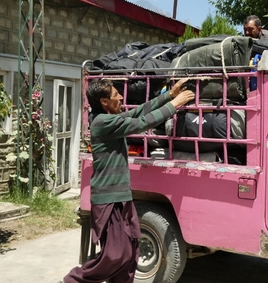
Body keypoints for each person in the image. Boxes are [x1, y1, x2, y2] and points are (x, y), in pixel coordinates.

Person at [60, 78, 195, 283]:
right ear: (104, 101)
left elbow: (137, 112)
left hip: (122, 196)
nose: (121, 97)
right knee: (115, 255)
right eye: (116, 95)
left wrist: (169, 94)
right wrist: (174, 105)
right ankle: (73, 280)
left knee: (131, 253)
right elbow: (142, 122)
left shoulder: (108, 118)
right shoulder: (102, 122)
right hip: (108, 198)